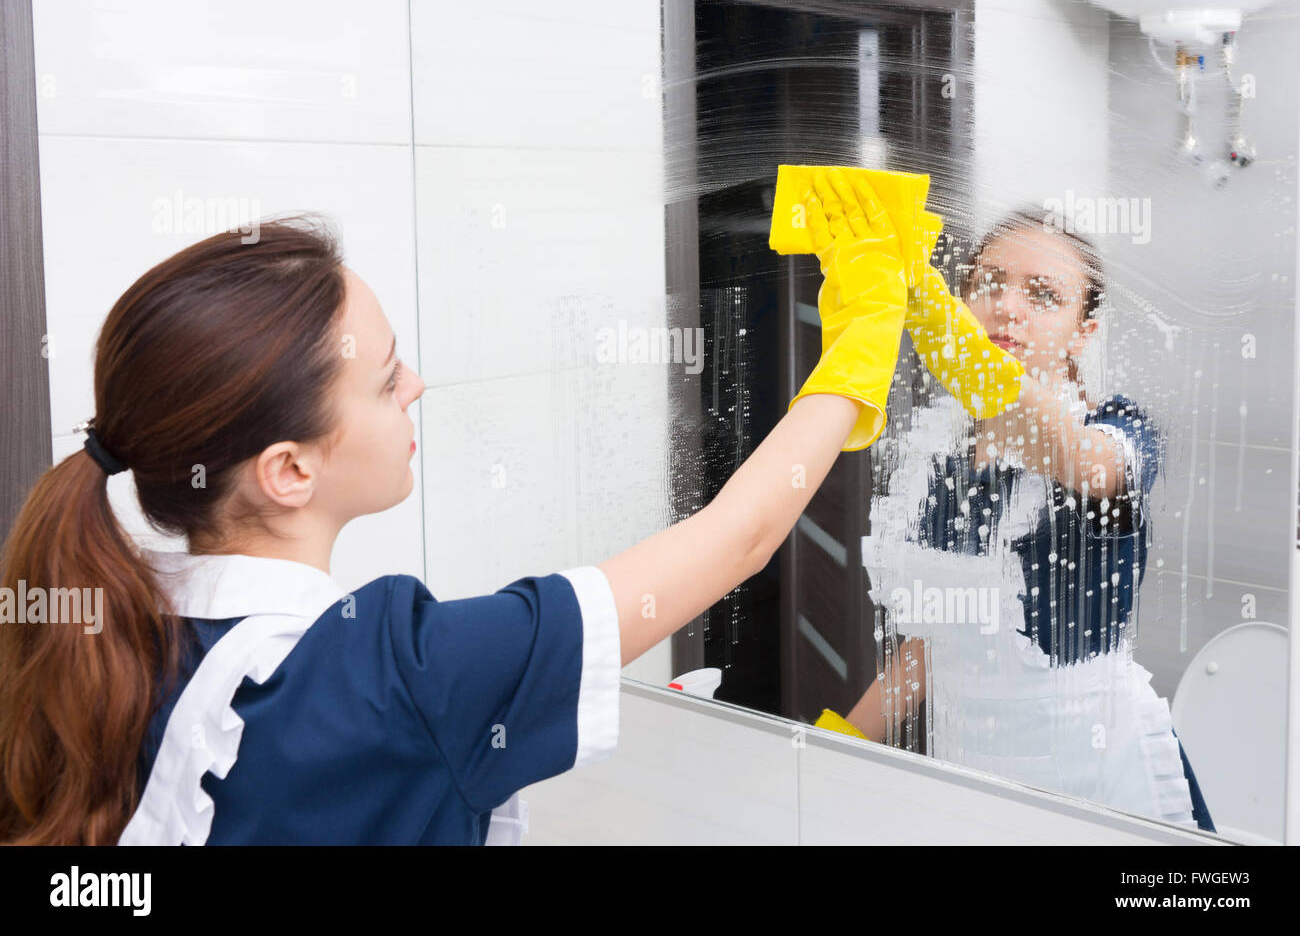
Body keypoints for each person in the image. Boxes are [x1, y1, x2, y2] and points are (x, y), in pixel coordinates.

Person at [0, 192, 905, 845]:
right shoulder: (404, 671)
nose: (417, 386)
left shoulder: (117, 626)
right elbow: (737, 539)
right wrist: (862, 342)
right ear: (288, 470)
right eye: (387, 378)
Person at [817, 209, 1216, 833]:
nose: (1007, 308)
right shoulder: (937, 451)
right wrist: (834, 748)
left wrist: (948, 335)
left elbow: (1082, 463)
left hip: (1099, 776)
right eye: (989, 284)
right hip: (971, 771)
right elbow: (930, 647)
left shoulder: (1116, 430)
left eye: (1042, 295)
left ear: (1084, 332)